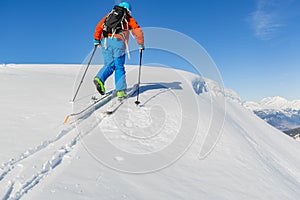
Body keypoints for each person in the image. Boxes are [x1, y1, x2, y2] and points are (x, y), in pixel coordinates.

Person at [93, 2, 144, 99]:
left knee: (109, 64)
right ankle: (120, 91)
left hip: (105, 42)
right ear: (128, 11)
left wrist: (96, 40)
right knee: (119, 66)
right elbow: (137, 30)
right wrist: (140, 44)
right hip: (118, 42)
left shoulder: (109, 15)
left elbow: (99, 27)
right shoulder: (128, 18)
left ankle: (99, 78)